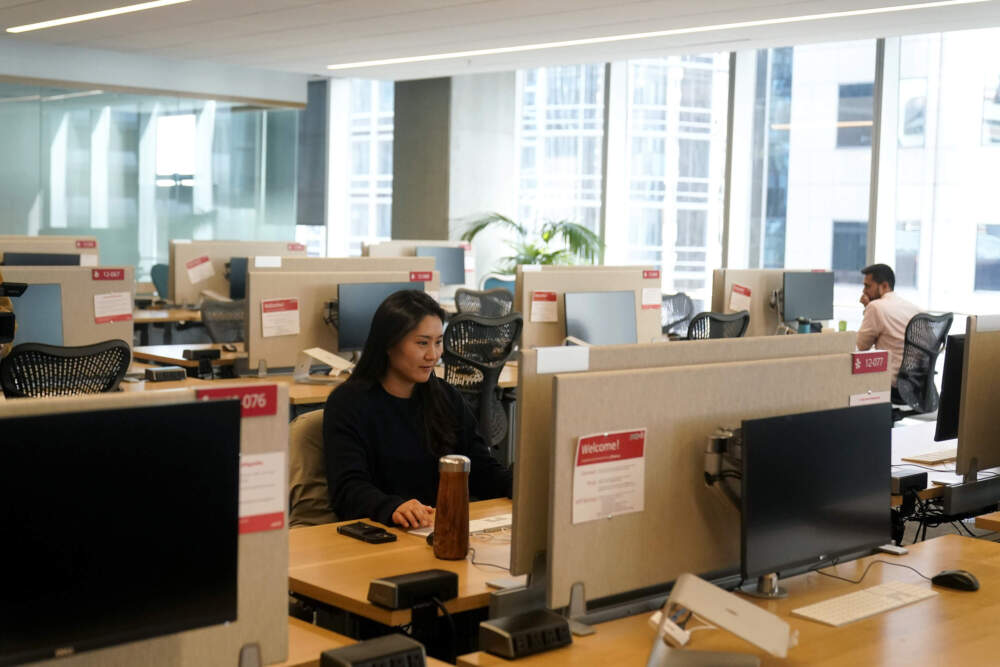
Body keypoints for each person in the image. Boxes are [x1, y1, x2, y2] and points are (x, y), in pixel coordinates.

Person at [323, 290, 512, 528]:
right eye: (422, 343)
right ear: (389, 344)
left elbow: (479, 468)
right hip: (381, 533)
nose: (433, 355)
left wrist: (515, 485)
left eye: (438, 342)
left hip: (436, 528)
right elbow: (348, 489)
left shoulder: (445, 396)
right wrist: (392, 507)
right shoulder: (349, 403)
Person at [855, 263, 920, 396]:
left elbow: (861, 347)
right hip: (916, 384)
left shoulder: (875, 307)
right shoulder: (914, 309)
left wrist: (868, 308)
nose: (864, 291)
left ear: (884, 286)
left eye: (868, 286)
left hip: (892, 383)